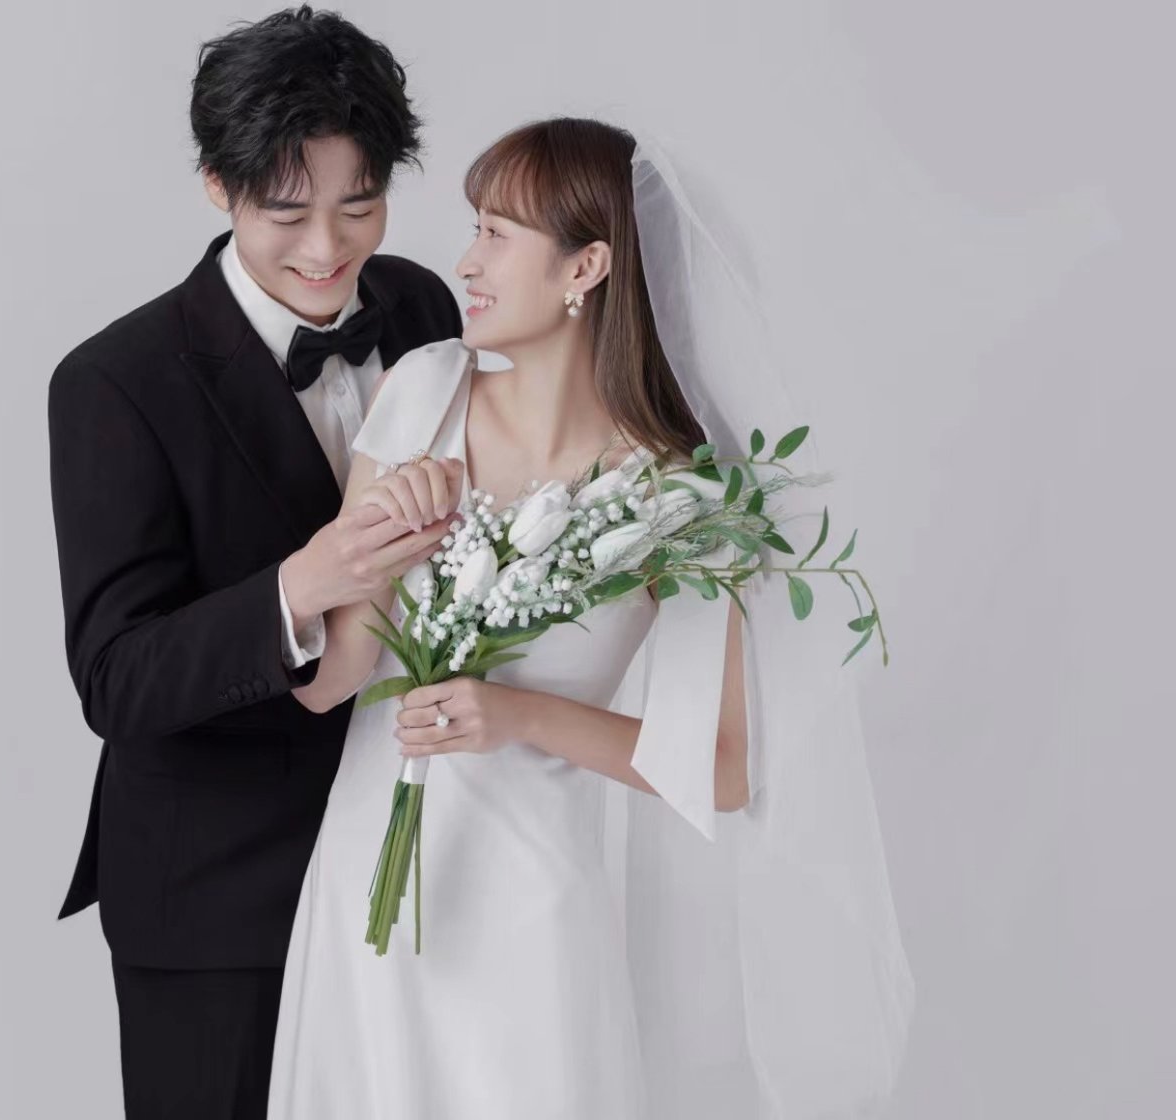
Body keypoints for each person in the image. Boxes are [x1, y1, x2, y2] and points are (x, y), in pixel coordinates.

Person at [266, 117, 914, 1119]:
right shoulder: (422, 392)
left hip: (530, 913)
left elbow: (722, 767)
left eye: (496, 234)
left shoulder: (680, 497)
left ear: (587, 267)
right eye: (473, 230)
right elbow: (330, 683)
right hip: (368, 887)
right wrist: (372, 545)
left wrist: (515, 715)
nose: (465, 262)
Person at [44, 8, 463, 1117]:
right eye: (286, 211)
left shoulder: (422, 304)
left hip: (420, 869)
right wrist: (305, 585)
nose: (328, 248)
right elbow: (116, 678)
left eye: (359, 205)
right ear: (216, 187)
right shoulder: (114, 383)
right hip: (217, 900)